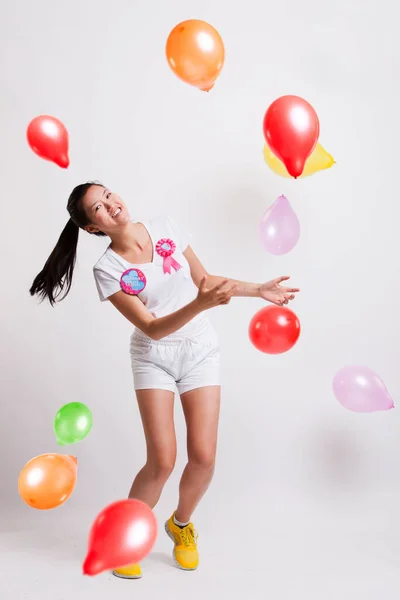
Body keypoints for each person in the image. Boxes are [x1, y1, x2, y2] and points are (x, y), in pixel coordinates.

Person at [29, 181, 299, 579]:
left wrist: (257, 289)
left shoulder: (166, 226)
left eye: (108, 196)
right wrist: (199, 304)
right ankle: (125, 538)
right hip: (154, 357)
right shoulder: (108, 269)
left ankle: (181, 525)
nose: (110, 205)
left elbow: (205, 282)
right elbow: (152, 328)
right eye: (98, 209)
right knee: (162, 461)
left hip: (200, 351)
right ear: (92, 228)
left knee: (204, 457)